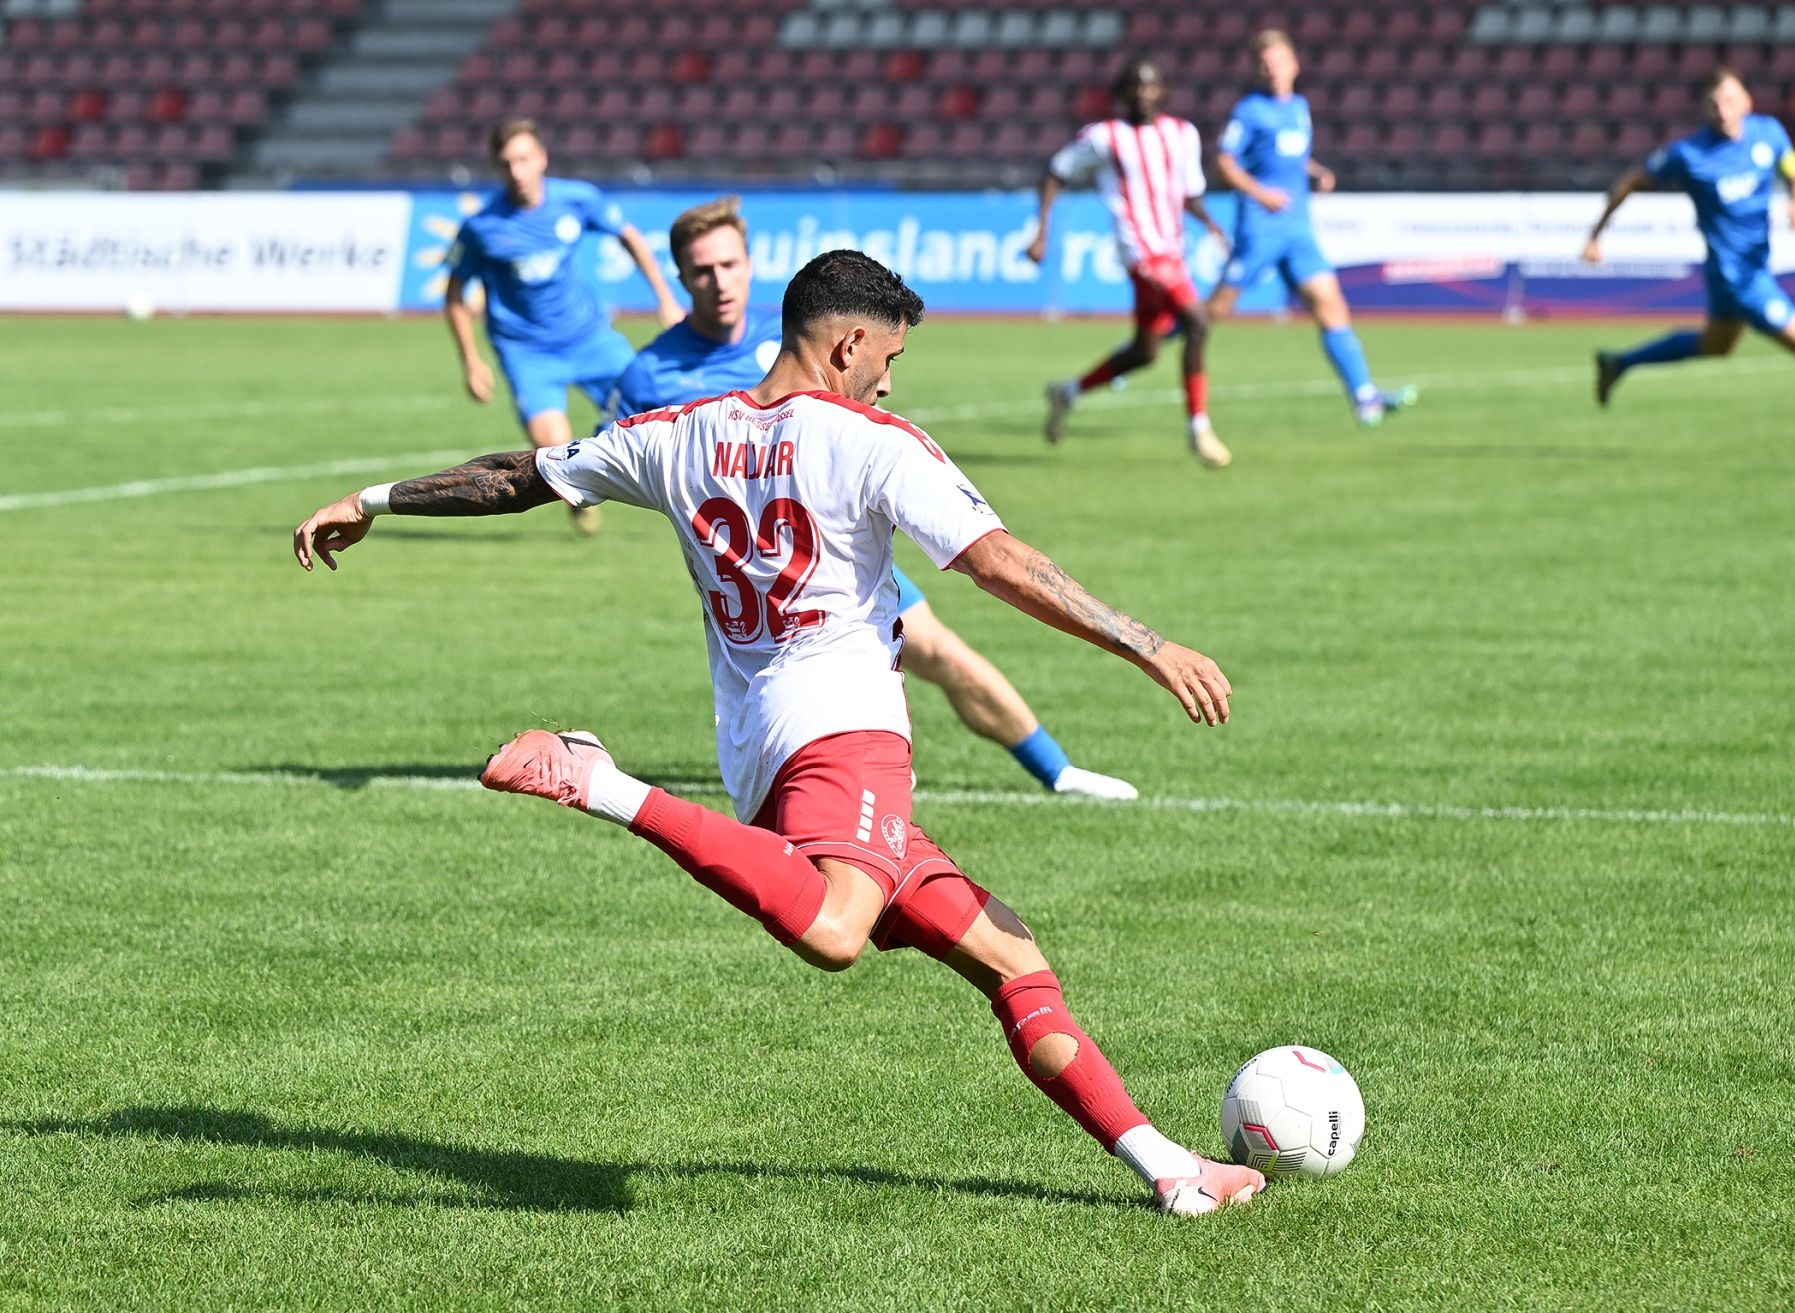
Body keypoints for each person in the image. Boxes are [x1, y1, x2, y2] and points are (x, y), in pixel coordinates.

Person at [293, 250, 1266, 1217]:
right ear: (848, 344)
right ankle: (600, 780)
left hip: (759, 752)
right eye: (888, 359)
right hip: (846, 733)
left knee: (1010, 953)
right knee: (836, 931)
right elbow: (999, 561)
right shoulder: (877, 442)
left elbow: (520, 475)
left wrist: (372, 499)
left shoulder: (677, 433)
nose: (889, 382)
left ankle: (1167, 1168)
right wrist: (1148, 643)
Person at [607, 197, 1137, 801]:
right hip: (750, 561)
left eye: (729, 265)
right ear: (680, 278)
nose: (719, 281)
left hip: (832, 543)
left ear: (749, 265)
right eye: (703, 271)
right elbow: (628, 457)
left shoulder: (798, 337)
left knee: (935, 648)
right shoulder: (651, 374)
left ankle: (1055, 770)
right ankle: (844, 771)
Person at [1584, 68, 1795, 456]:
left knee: (1716, 345)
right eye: (1713, 104)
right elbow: (1630, 182)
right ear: (1703, 109)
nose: (1722, 111)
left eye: (1729, 101)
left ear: (1746, 102)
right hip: (1738, 279)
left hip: (1749, 271)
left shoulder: (1768, 135)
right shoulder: (1688, 155)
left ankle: (1620, 362)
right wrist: (1595, 235)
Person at [443, 117, 688, 534]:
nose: (517, 171)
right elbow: (454, 295)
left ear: (542, 158)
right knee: (554, 449)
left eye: (524, 159)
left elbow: (628, 234)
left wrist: (664, 296)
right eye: (507, 163)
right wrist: (471, 361)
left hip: (590, 338)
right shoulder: (482, 227)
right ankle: (578, 501)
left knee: (660, 417)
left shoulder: (577, 199)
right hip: (527, 351)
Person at [1027, 57, 1234, 469]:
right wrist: (1041, 231)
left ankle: (1068, 391)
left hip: (1173, 250)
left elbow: (1190, 193)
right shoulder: (1105, 136)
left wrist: (1210, 223)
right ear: (1123, 94)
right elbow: (1056, 171)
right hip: (1140, 252)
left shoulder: (1183, 134)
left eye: (1151, 85)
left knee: (1144, 352)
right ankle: (1199, 429)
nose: (1143, 93)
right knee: (1197, 321)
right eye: (1135, 86)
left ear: (1164, 91)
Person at [1206, 29, 1416, 429]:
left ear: (1294, 65)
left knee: (1330, 304)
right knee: (1215, 310)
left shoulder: (1299, 107)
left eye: (1278, 62)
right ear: (1256, 70)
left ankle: (1365, 398)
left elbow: (1291, 156)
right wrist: (1261, 193)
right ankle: (1142, 351)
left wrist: (1316, 171)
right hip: (1260, 230)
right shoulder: (1248, 112)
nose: (1272, 70)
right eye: (1265, 65)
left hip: (1298, 230)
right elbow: (1224, 163)